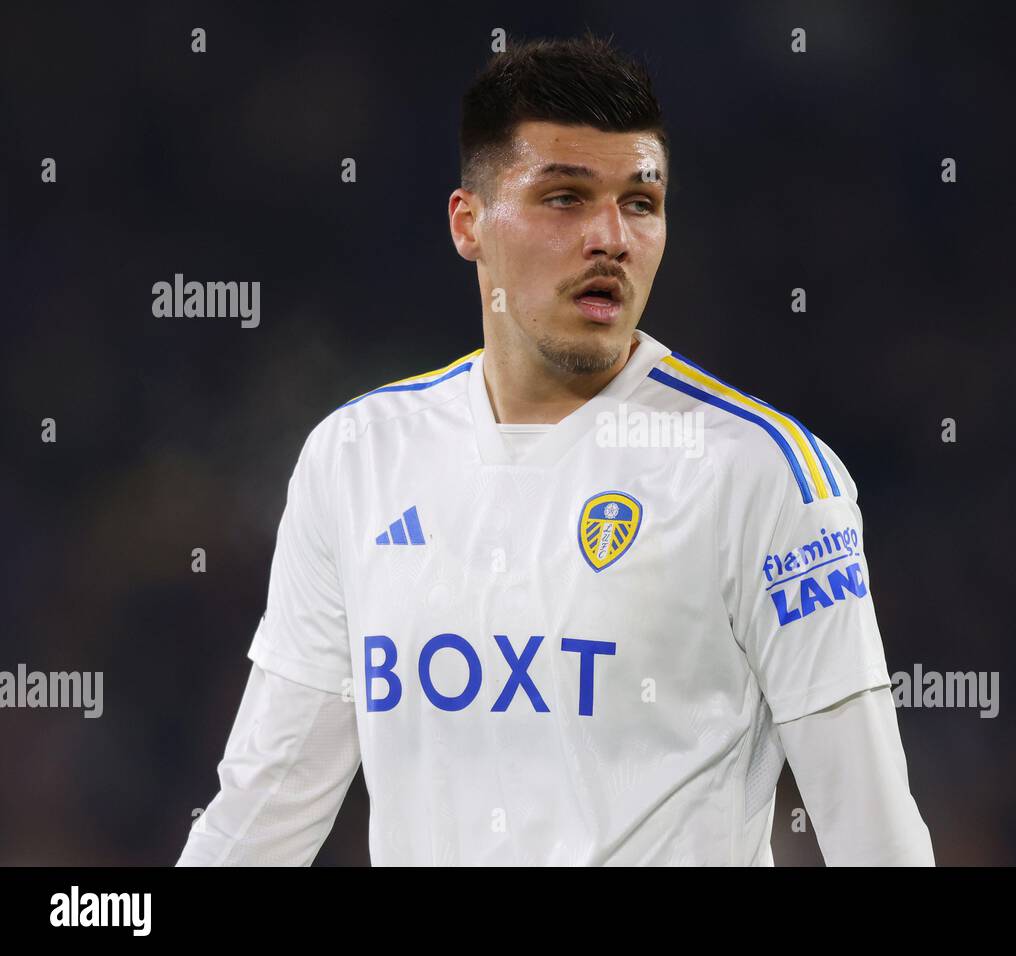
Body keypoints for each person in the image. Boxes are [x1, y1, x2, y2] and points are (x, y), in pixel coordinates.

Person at [178, 33, 933, 866]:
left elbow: (873, 833)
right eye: (566, 198)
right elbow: (264, 810)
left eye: (640, 203)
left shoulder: (765, 476)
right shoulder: (356, 457)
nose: (610, 236)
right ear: (469, 223)